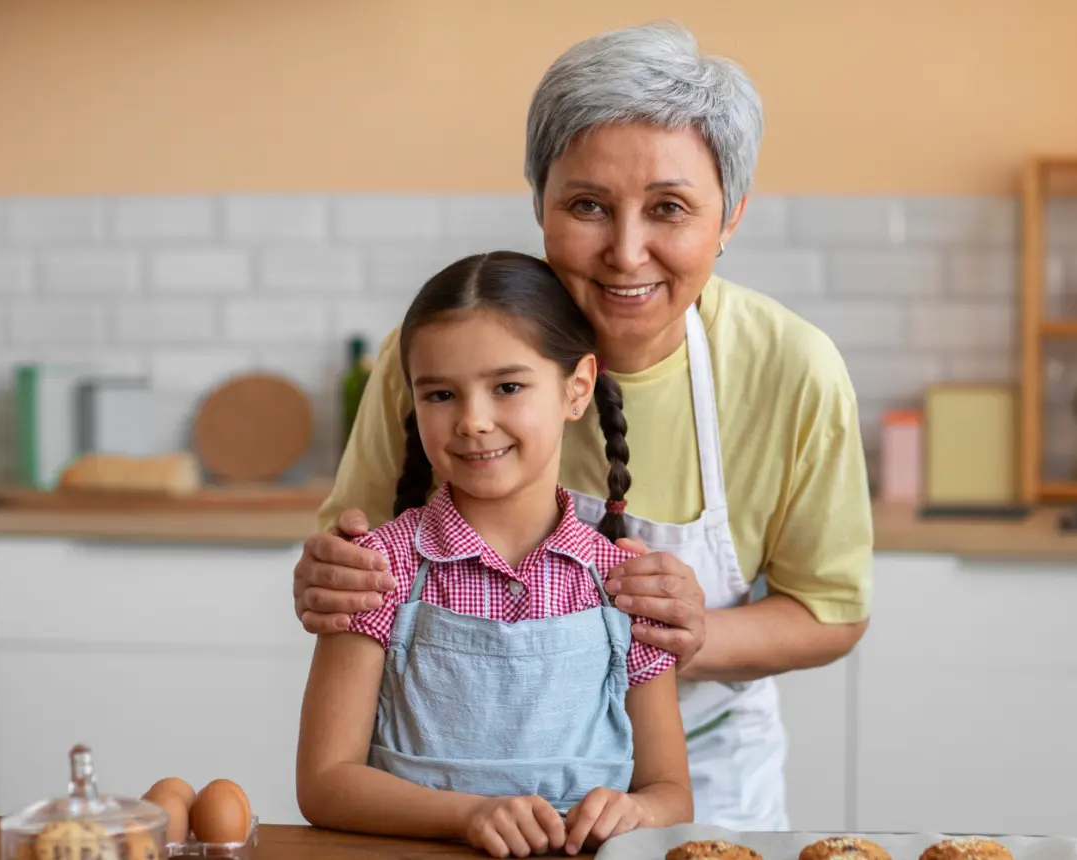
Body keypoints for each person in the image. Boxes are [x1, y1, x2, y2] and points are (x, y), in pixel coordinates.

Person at [293, 21, 873, 831]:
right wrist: (326, 579)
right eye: (588, 206)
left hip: (695, 775)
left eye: (669, 208)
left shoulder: (792, 370)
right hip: (432, 800)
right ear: (538, 203)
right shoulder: (429, 355)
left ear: (730, 215)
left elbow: (832, 613)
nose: (626, 253)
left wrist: (685, 632)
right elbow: (352, 576)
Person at [295, 251, 692, 859]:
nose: (473, 421)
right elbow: (324, 783)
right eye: (441, 394)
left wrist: (637, 809)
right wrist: (468, 816)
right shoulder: (380, 570)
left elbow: (670, 793)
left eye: (508, 387)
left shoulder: (624, 584)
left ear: (577, 387)